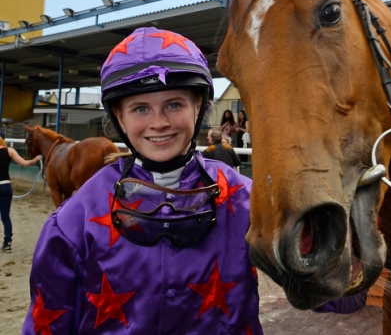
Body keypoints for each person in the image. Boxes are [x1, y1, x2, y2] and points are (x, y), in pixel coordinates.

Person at [22, 27, 262, 334]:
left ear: (198, 106)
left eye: (174, 104)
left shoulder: (247, 200)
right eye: (141, 108)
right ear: (120, 117)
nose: (159, 123)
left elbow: (331, 294)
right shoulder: (72, 221)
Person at [0, 133, 42, 253]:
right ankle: (7, 242)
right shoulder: (10, 151)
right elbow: (25, 163)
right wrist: (35, 159)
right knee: (5, 216)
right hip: (5, 185)